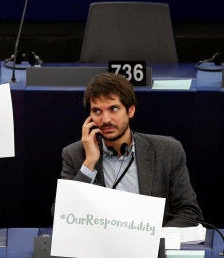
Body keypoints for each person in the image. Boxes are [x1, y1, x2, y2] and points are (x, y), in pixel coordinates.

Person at [60, 73, 203, 227]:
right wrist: (89, 164)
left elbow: (189, 212)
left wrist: (154, 240)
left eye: (113, 109)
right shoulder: (75, 154)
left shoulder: (168, 151)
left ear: (130, 111)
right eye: (97, 111)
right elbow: (61, 216)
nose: (106, 119)